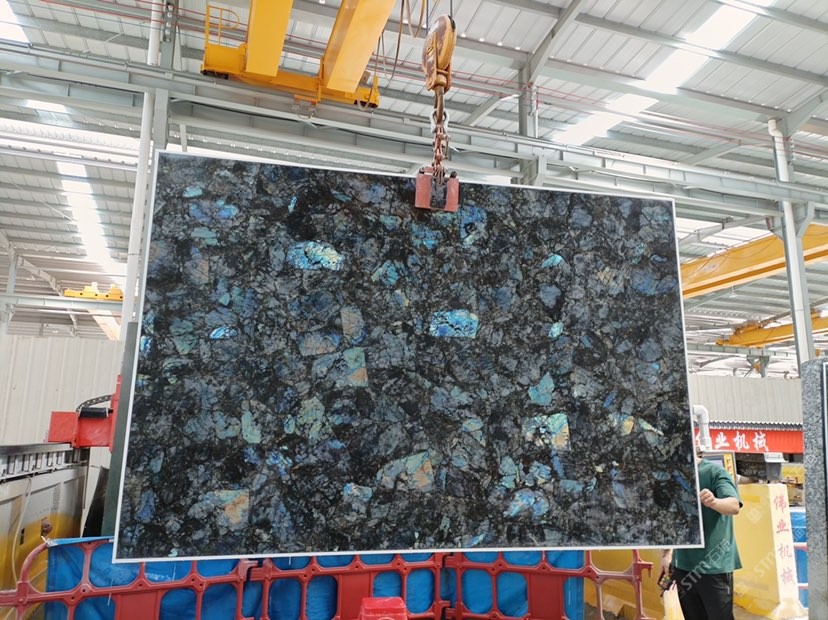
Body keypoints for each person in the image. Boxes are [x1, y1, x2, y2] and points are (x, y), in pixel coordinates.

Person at [660, 453, 742, 620]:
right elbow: (670, 518)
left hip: (713, 566)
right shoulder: (672, 476)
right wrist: (666, 554)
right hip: (683, 566)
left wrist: (714, 502)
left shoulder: (714, 472)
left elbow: (734, 506)